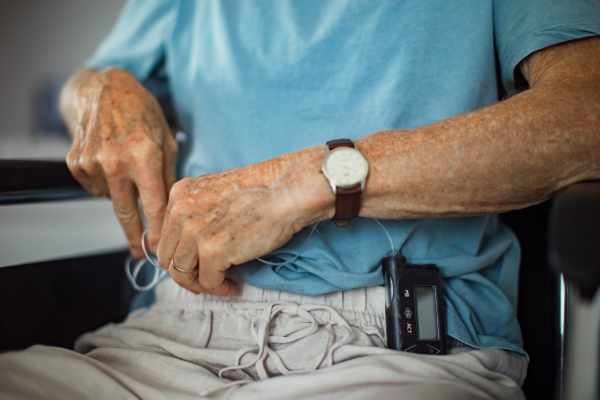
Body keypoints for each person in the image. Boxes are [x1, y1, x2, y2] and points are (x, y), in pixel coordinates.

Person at [2, 1, 600, 399]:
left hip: (398, 350)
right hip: (167, 338)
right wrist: (102, 88)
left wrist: (298, 184)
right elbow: (87, 83)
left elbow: (587, 113)